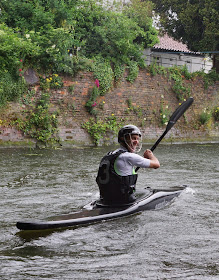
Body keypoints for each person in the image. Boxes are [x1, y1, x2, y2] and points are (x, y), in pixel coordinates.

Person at [96, 124, 160, 205]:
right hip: (123, 201)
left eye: (137, 139)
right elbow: (157, 164)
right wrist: (151, 155)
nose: (136, 141)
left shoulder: (110, 154)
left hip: (106, 199)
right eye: (133, 138)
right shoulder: (129, 156)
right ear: (123, 138)